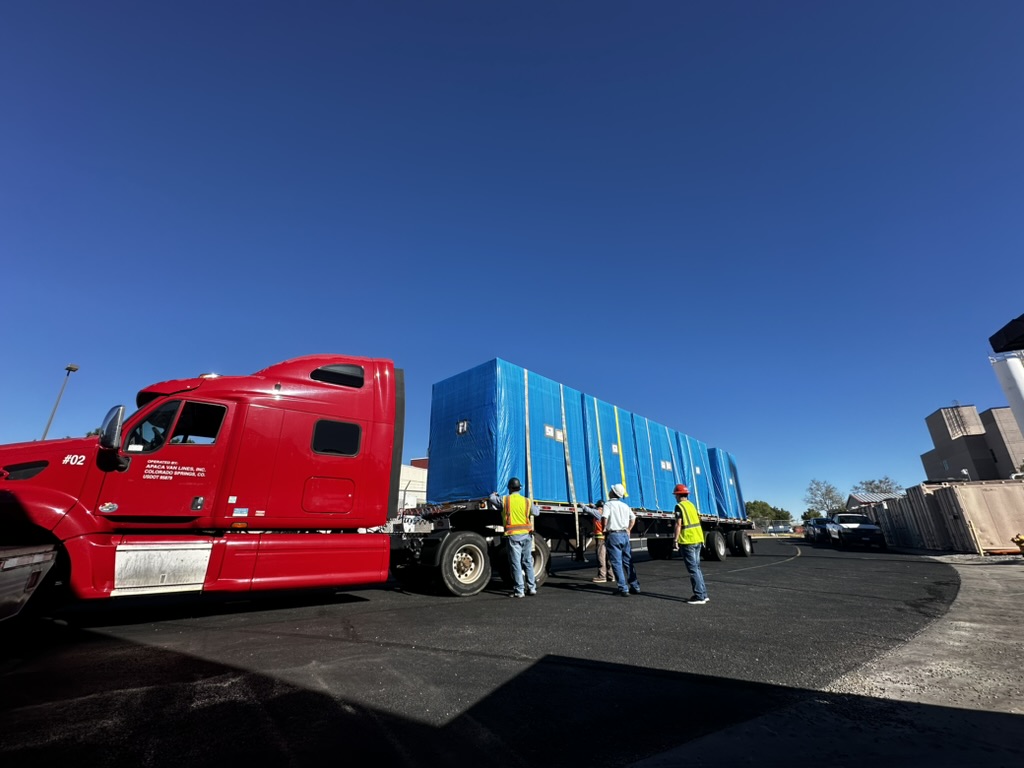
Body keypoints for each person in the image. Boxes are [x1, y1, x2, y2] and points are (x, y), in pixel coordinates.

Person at [490, 478, 540, 598]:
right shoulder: (527, 501)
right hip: (527, 536)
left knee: (516, 563)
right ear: (520, 488)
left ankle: (520, 591)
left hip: (513, 537)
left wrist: (494, 493)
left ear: (509, 488)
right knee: (528, 562)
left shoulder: (505, 500)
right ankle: (532, 588)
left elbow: (492, 499)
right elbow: (537, 512)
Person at [672, 483, 709, 605]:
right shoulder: (692, 505)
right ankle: (703, 594)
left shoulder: (679, 507)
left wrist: (675, 540)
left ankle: (699, 596)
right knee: (697, 568)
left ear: (677, 495)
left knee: (693, 569)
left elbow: (678, 524)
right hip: (698, 539)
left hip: (688, 540)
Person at [602, 484, 639, 596]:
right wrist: (628, 529)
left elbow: (604, 517)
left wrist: (604, 529)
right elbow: (633, 518)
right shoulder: (625, 505)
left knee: (616, 562)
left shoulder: (608, 504)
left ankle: (623, 588)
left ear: (613, 492)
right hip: (624, 535)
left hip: (613, 535)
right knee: (628, 561)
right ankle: (635, 586)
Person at [579, 500, 615, 584]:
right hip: (607, 538)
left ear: (599, 507)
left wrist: (582, 504)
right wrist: (594, 506)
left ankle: (602, 576)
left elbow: (588, 510)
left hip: (600, 539)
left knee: (601, 557)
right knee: (607, 558)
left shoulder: (598, 512)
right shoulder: (606, 513)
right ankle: (611, 576)